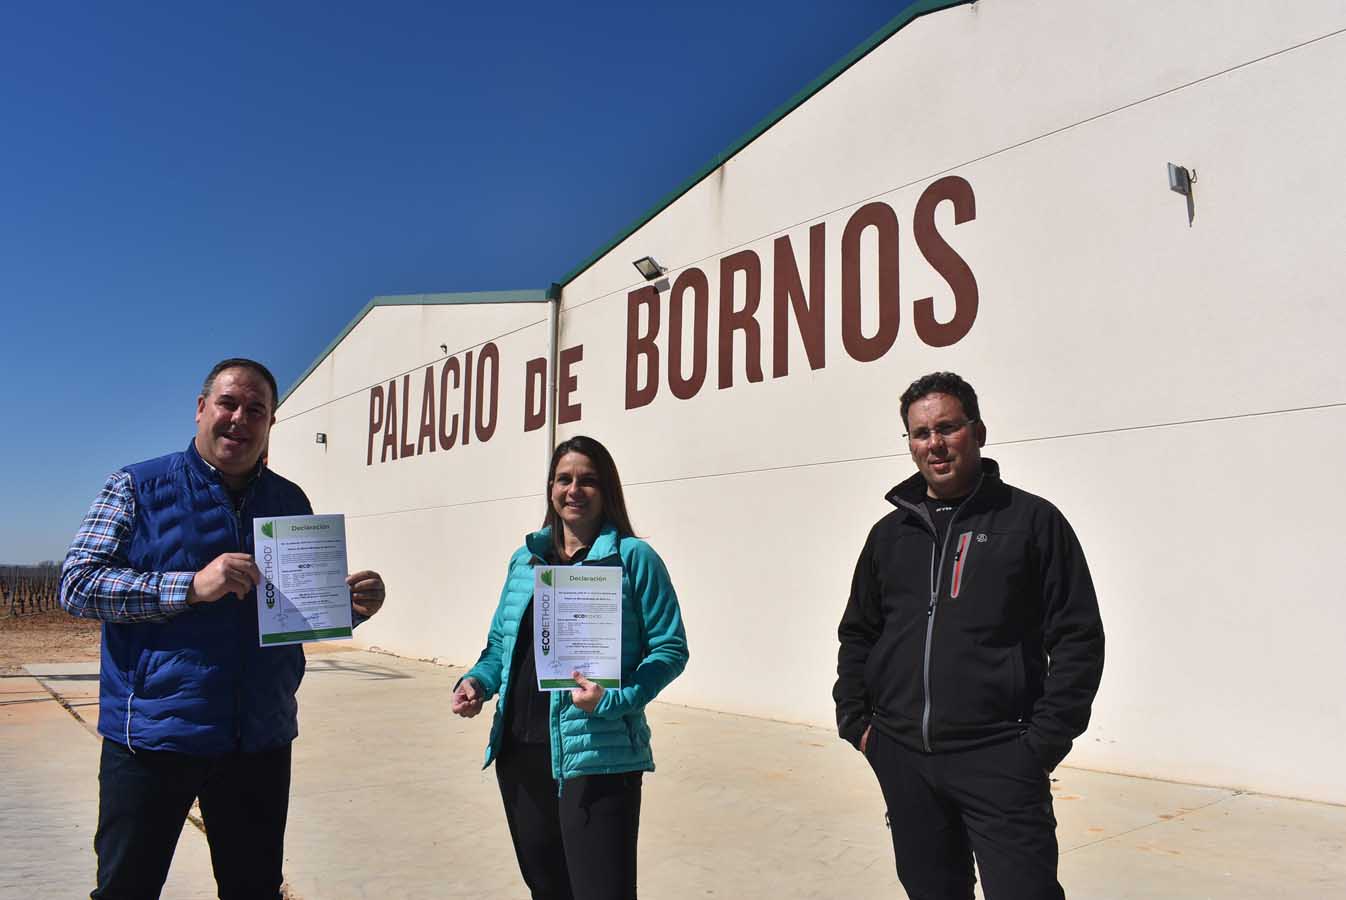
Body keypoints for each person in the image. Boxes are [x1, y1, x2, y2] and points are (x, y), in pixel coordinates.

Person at [58, 357, 387, 900]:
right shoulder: (136, 487)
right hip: (154, 736)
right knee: (126, 888)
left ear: (270, 424)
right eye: (228, 403)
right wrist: (189, 586)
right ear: (200, 409)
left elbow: (285, 613)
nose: (239, 418)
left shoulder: (289, 501)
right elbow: (77, 584)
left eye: (255, 410)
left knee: (254, 889)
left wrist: (348, 606)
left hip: (258, 736)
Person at [834, 371, 1104, 900]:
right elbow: (859, 632)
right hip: (904, 757)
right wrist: (859, 723)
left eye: (947, 428)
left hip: (1000, 756)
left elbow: (1077, 638)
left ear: (978, 431)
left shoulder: (1031, 522)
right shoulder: (889, 536)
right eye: (920, 433)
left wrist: (1039, 746)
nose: (933, 444)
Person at [452, 435, 689, 900]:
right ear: (550, 488)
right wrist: (477, 682)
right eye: (564, 479)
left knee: (603, 890)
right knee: (547, 887)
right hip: (521, 751)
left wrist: (617, 699)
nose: (573, 490)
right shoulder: (525, 560)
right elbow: (501, 644)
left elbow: (670, 648)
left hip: (597, 754)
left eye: (588, 480)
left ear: (607, 490)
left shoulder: (633, 558)